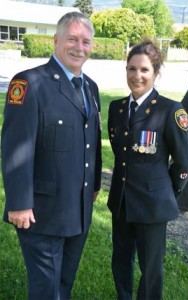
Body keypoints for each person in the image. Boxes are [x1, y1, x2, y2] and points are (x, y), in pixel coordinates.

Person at [1, 11, 102, 300]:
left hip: (79, 208)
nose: (79, 47)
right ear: (56, 40)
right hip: (41, 212)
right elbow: (15, 146)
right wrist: (19, 203)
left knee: (64, 284)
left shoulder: (90, 88)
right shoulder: (30, 84)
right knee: (46, 289)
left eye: (85, 41)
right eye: (72, 39)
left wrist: (94, 186)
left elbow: (90, 141)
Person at [107, 39, 188, 300]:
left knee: (151, 267)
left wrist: (169, 191)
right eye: (131, 69)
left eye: (144, 70)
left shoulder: (171, 110)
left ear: (155, 73)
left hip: (152, 204)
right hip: (122, 201)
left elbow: (185, 158)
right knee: (121, 259)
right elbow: (120, 153)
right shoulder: (117, 108)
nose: (137, 76)